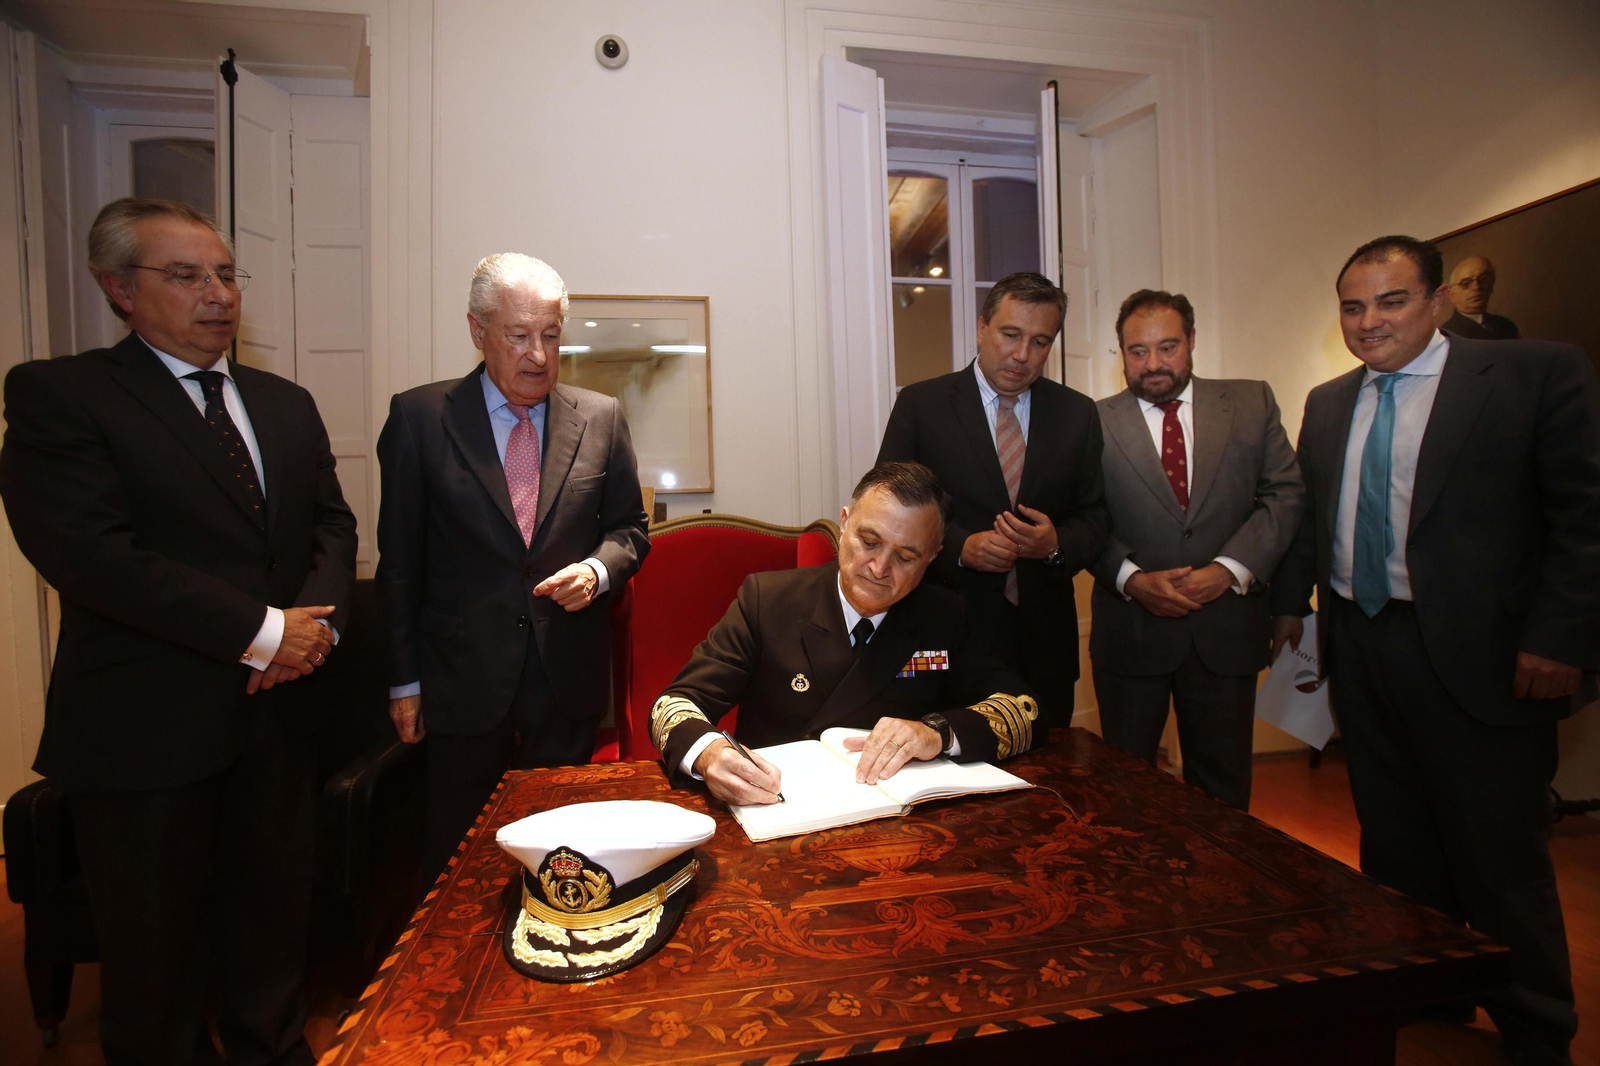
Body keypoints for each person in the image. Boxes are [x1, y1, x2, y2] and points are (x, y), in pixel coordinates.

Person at [0, 197, 358, 1066]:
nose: (218, 294)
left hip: (277, 723)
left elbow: (331, 526)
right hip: (144, 734)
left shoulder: (284, 403)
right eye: (187, 275)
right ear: (119, 288)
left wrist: (308, 634)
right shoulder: (64, 395)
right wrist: (262, 632)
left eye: (227, 274)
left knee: (273, 934)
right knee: (154, 968)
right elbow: (91, 556)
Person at [1271, 235, 1599, 1066]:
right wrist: (1289, 610)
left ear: (1439, 301)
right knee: (1395, 842)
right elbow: (1311, 522)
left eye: (1392, 301)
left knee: (1499, 855)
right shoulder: (1329, 402)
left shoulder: (1533, 375)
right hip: (1363, 646)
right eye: (1353, 306)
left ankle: (1536, 1030)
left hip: (1485, 657)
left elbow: (1585, 519)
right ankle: (1426, 994)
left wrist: (1558, 638)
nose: (1370, 321)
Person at [377, 253, 648, 877]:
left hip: (565, 681)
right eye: (519, 336)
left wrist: (598, 571)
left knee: (566, 860)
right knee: (460, 861)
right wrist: (404, 683)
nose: (539, 356)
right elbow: (401, 563)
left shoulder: (600, 417)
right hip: (460, 681)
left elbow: (630, 529)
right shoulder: (421, 419)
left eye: (551, 335)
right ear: (478, 331)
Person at [650, 461, 1040, 805]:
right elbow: (675, 703)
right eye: (869, 542)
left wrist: (938, 732)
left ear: (932, 557)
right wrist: (709, 754)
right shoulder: (768, 601)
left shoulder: (943, 615)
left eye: (905, 556)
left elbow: (1026, 709)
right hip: (777, 807)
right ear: (844, 523)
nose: (879, 568)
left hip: (894, 818)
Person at [1090, 290, 1302, 809]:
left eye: (1167, 347)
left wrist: (1228, 570)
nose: (1153, 363)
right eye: (1138, 351)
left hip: (1225, 631)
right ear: (1121, 354)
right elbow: (1081, 517)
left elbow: (1285, 493)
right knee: (1126, 793)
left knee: (1223, 795)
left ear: (1191, 342)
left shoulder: (1251, 402)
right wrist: (1132, 580)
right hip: (1132, 633)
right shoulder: (1091, 421)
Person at [876, 271, 1107, 727]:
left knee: (1050, 765)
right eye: (1010, 335)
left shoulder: (1077, 414)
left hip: (1045, 648)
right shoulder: (922, 405)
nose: (1022, 355)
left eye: (1040, 342)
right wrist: (961, 547)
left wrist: (1055, 545)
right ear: (982, 328)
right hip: (943, 636)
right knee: (942, 758)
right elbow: (888, 510)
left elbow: (1096, 517)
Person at [1443, 254, 1519, 340]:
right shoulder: (1447, 335)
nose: (1476, 287)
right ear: (1452, 294)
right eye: (1466, 283)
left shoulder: (1507, 326)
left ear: (1492, 285)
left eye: (1483, 279)